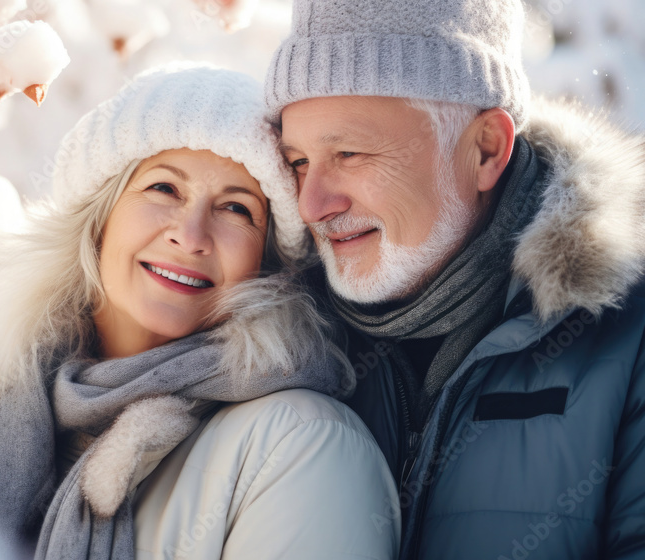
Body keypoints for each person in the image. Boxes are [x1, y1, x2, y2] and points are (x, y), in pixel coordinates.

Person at [0, 64, 399, 559]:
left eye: (236, 209)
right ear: (100, 218)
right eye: (165, 189)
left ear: (267, 264)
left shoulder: (299, 447)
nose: (191, 235)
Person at [264, 1, 645, 559]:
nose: (313, 203)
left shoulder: (627, 335)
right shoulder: (283, 343)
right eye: (297, 162)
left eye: (349, 153)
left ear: (486, 148)